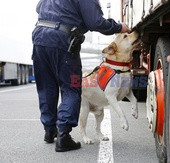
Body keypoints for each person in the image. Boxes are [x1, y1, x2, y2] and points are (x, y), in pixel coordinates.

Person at [32, 0, 131, 152]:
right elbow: (95, 21)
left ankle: (49, 130)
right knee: (71, 87)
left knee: (47, 87)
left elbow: (38, 8)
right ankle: (64, 135)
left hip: (39, 39)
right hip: (63, 40)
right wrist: (119, 27)